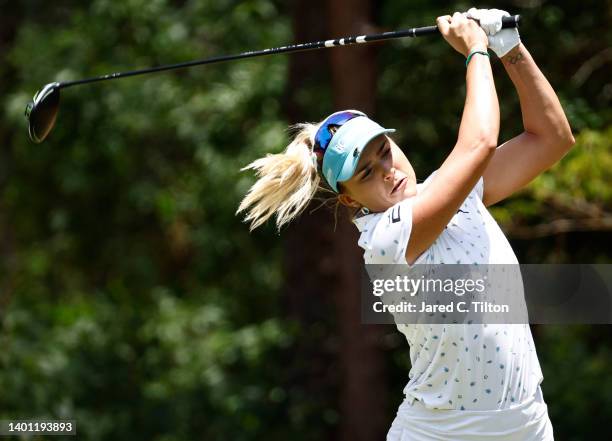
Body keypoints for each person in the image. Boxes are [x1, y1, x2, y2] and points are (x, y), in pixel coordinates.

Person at [237, 7, 575, 440]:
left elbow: (552, 137)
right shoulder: (387, 238)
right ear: (348, 198)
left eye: (384, 151)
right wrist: (476, 50)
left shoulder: (458, 191)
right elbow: (480, 142)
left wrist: (510, 47)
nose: (387, 171)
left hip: (526, 426)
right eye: (366, 173)